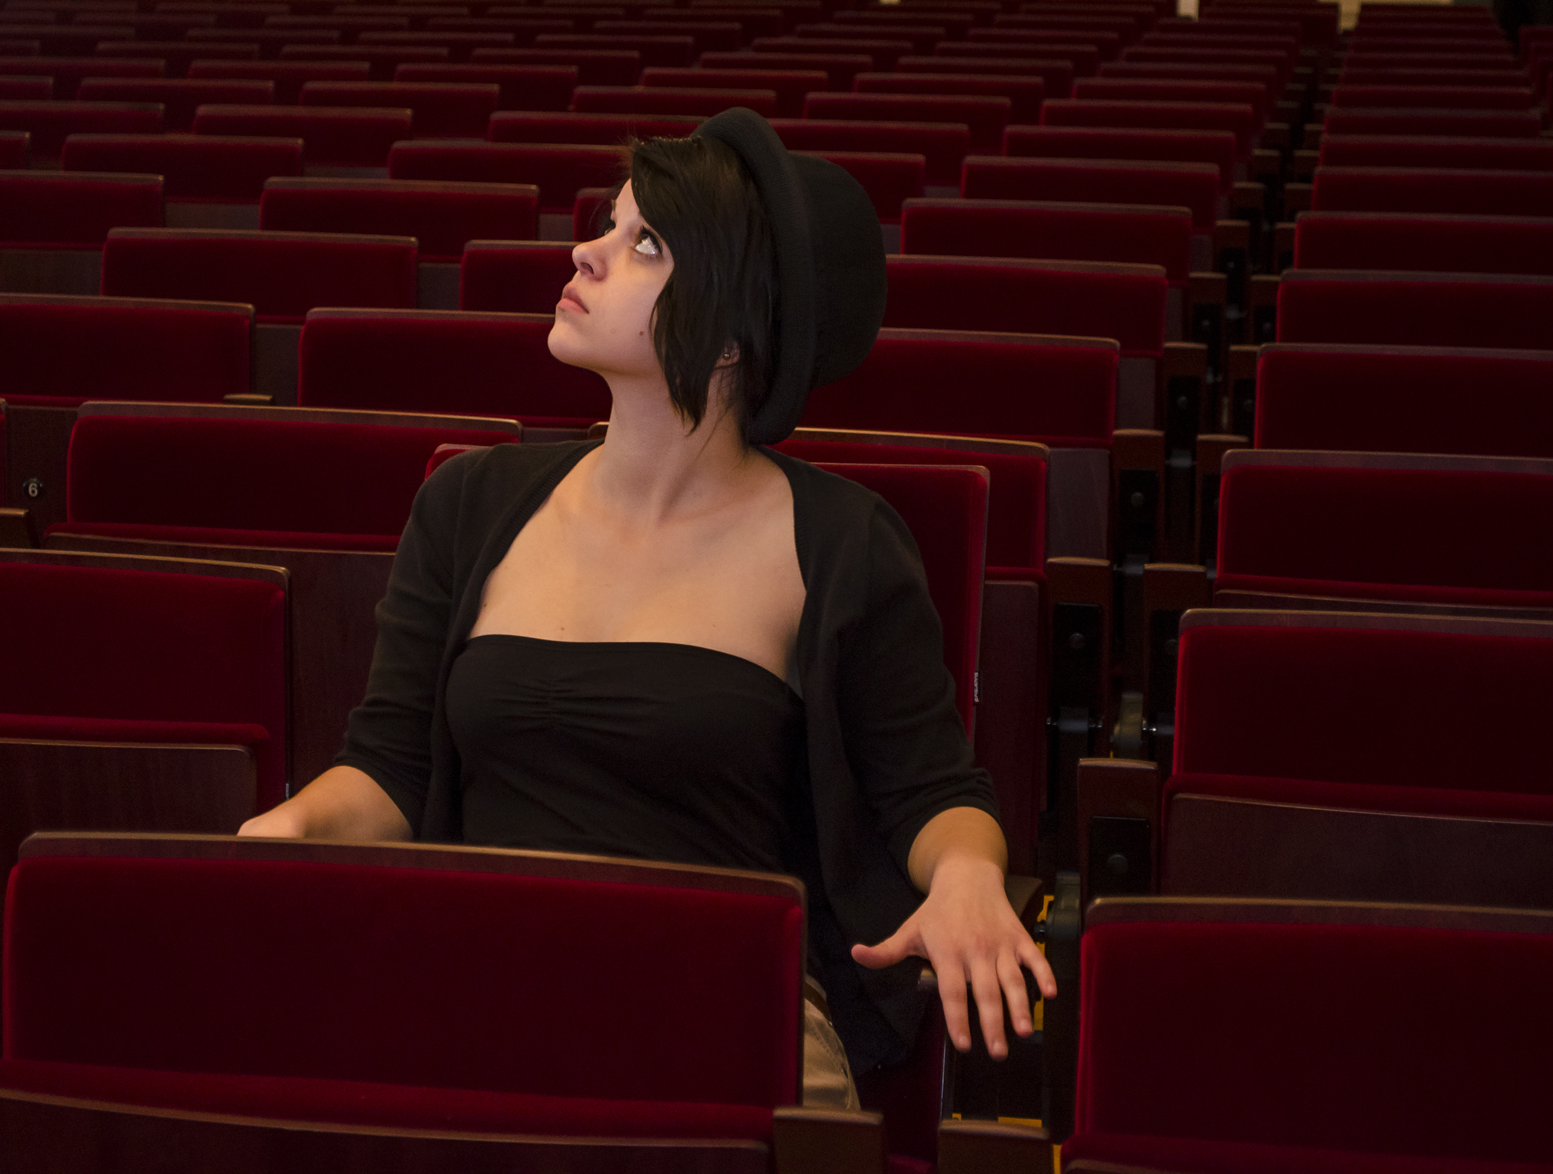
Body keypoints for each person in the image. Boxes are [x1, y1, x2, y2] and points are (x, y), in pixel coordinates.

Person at [240, 108, 1056, 1106]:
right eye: (608, 225)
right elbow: (390, 770)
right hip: (477, 977)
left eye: (644, 243)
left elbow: (930, 792)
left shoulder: (841, 540)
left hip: (716, 1000)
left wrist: (968, 875)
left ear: (727, 332)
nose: (584, 252)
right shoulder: (468, 503)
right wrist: (289, 828)